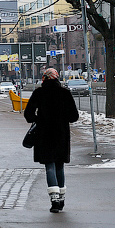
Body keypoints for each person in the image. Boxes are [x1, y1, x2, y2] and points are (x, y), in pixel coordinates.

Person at [24, 68, 80, 213]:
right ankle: (61, 199)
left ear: (44, 78)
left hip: (44, 134)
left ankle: (54, 200)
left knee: (49, 165)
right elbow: (74, 116)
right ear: (57, 78)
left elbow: (28, 114)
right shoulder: (65, 93)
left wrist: (38, 119)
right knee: (60, 165)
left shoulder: (39, 93)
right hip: (61, 134)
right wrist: (62, 118)